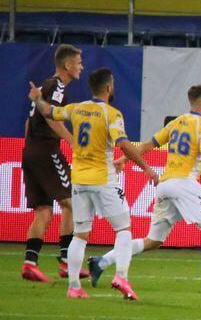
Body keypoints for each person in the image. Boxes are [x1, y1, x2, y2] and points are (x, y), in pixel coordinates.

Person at [28, 68, 159, 300]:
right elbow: (123, 144)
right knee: (123, 229)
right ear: (108, 87)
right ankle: (121, 277)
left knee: (80, 234)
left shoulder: (77, 108)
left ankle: (74, 287)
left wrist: (38, 99)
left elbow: (49, 112)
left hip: (79, 180)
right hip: (103, 179)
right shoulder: (112, 114)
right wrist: (146, 167)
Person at [90, 84, 201, 292]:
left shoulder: (176, 123)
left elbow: (147, 145)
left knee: (153, 240)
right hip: (185, 184)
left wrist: (123, 159)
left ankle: (101, 262)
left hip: (165, 185)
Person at [20, 44, 85, 283]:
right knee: (73, 203)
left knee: (44, 210)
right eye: (79, 63)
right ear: (67, 65)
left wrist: (31, 148)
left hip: (31, 151)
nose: (81, 67)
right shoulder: (57, 86)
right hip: (47, 151)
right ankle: (67, 261)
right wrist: (72, 140)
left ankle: (30, 263)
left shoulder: (42, 87)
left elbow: (29, 122)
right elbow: (51, 116)